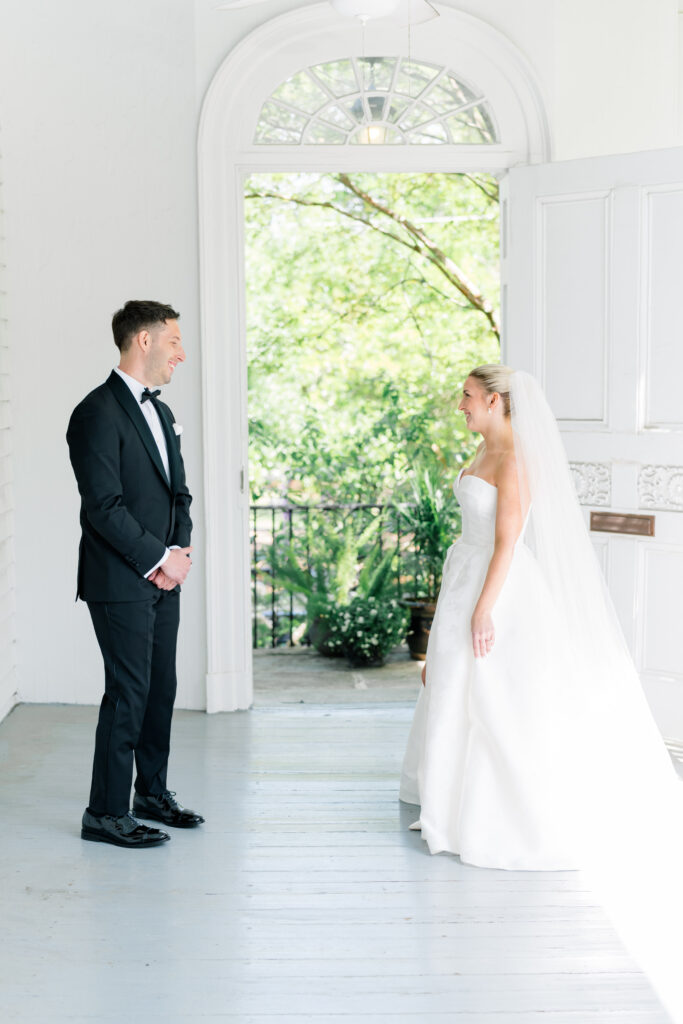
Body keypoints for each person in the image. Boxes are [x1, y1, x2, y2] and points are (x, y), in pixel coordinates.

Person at [399, 364, 681, 871]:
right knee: (450, 683)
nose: (459, 405)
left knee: (493, 695)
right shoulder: (482, 448)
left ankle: (492, 813)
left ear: (494, 401)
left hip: (497, 585)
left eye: (467, 396)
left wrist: (484, 609)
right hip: (463, 573)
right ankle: (447, 800)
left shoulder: (514, 459)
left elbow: (506, 542)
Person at [67, 300, 204, 848]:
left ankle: (150, 792)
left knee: (160, 688)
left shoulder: (162, 412)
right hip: (120, 578)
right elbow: (104, 506)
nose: (181, 352)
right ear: (143, 341)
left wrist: (180, 551)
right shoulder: (95, 412)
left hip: (163, 574)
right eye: (173, 341)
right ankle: (104, 813)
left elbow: (179, 492)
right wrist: (157, 559)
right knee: (128, 691)